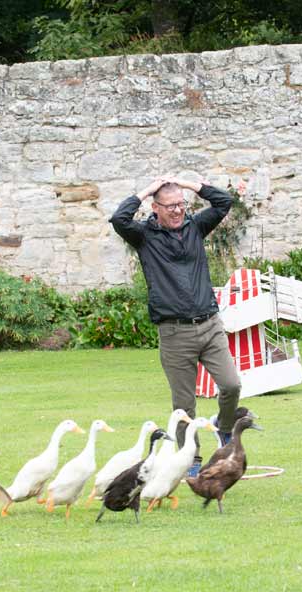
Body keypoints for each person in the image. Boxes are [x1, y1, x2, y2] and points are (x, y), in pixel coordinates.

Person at [109, 175, 241, 476]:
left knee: (232, 384)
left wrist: (189, 184)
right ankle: (190, 459)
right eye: (170, 206)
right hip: (174, 333)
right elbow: (119, 218)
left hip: (210, 325)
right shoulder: (143, 236)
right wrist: (146, 189)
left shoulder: (196, 227)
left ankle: (225, 425)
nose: (178, 210)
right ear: (155, 208)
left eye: (181, 204)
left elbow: (224, 202)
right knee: (184, 405)